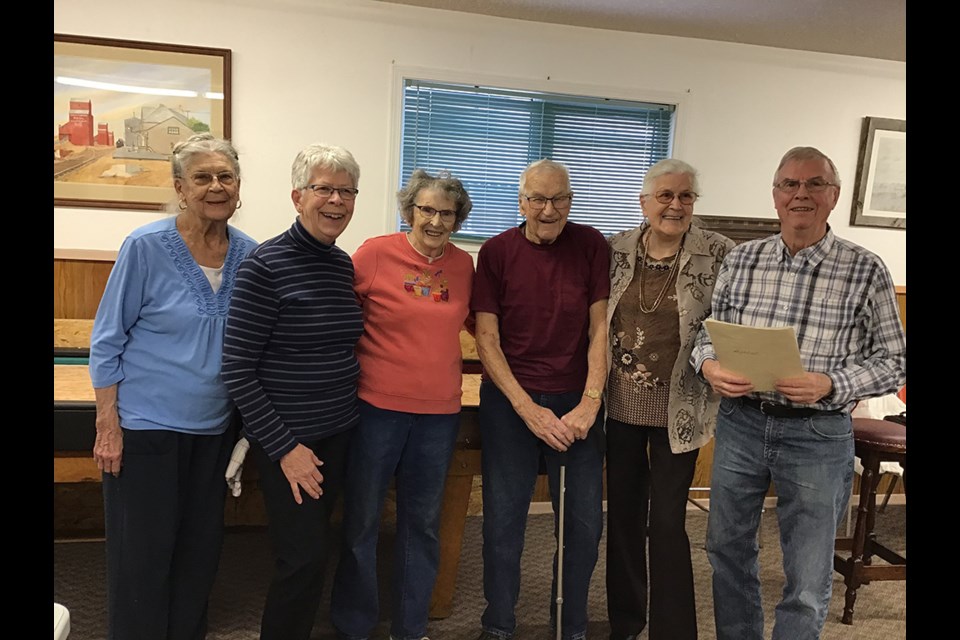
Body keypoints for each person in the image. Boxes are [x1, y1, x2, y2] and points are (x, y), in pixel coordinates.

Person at [690, 146, 907, 640]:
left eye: (813, 184)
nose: (800, 194)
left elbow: (895, 361)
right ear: (775, 196)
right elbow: (706, 334)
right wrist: (711, 366)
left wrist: (834, 383)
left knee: (808, 571)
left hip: (818, 432)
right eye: (789, 184)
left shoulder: (865, 269)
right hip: (741, 423)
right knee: (726, 549)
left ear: (832, 196)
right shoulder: (743, 259)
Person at [89, 133, 257, 640]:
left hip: (213, 431)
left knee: (198, 556)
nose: (215, 186)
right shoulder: (146, 247)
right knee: (142, 558)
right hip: (145, 429)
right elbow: (106, 341)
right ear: (180, 188)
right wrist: (107, 426)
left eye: (225, 176)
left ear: (238, 187)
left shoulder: (250, 255)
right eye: (202, 177)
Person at [222, 143, 364, 640]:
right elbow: (237, 369)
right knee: (300, 559)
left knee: (317, 553)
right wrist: (285, 449)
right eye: (324, 188)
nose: (337, 201)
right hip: (290, 441)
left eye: (346, 191)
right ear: (297, 196)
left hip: (339, 433)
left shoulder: (342, 264)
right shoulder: (265, 265)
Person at [331, 169, 476, 640]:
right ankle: (355, 625)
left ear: (458, 219)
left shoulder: (463, 266)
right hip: (376, 408)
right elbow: (335, 315)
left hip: (439, 413)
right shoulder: (374, 253)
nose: (436, 220)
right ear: (409, 210)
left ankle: (411, 628)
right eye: (427, 210)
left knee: (423, 525)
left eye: (446, 213)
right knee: (363, 520)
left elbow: (483, 328)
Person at [471, 159, 610, 640]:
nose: (549, 210)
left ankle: (570, 627)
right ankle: (498, 625)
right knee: (503, 523)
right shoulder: (495, 252)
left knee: (583, 525)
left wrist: (591, 401)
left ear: (570, 200)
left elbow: (600, 328)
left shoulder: (592, 245)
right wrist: (528, 409)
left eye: (560, 199)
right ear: (521, 201)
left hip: (577, 401)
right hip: (511, 402)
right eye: (538, 199)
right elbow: (487, 340)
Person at [605, 159, 735, 640]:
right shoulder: (614, 250)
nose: (675, 206)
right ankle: (625, 622)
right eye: (665, 196)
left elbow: (728, 324)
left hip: (680, 410)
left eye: (685, 196)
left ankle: (673, 630)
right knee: (621, 517)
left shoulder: (720, 253)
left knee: (665, 522)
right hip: (618, 406)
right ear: (644, 201)